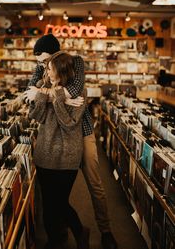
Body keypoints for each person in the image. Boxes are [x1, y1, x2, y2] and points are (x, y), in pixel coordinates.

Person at [24, 34, 118, 249]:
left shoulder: (75, 62)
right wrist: (50, 94)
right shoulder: (41, 67)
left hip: (80, 131)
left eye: (47, 61)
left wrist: (43, 93)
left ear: (56, 54)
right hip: (53, 133)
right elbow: (30, 95)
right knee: (53, 196)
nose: (43, 66)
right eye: (41, 62)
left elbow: (74, 92)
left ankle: (106, 231)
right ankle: (60, 233)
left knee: (94, 183)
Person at [29, 51, 89, 249]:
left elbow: (69, 124)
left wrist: (56, 100)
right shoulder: (44, 87)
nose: (45, 70)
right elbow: (36, 115)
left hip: (67, 155)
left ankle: (80, 232)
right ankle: (54, 238)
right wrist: (47, 96)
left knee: (60, 202)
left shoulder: (79, 92)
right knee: (48, 202)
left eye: (49, 67)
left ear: (60, 70)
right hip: (44, 153)